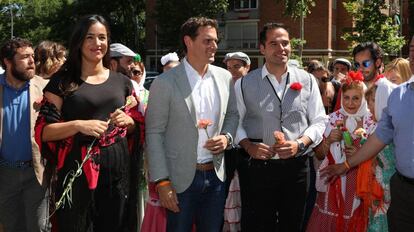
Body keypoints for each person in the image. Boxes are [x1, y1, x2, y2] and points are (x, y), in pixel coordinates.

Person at [35, 15, 144, 232]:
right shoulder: (61, 82)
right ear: (79, 42)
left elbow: (136, 126)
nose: (98, 44)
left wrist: (129, 122)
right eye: (90, 37)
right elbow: (43, 131)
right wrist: (78, 125)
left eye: (102, 38)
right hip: (76, 174)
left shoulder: (122, 82)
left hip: (118, 174)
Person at [145, 17, 239, 232]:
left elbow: (233, 115)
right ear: (188, 41)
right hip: (178, 181)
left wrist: (226, 137)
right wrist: (162, 181)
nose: (214, 46)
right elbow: (154, 133)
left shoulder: (224, 77)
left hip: (216, 176)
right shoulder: (165, 82)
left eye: (215, 40)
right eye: (207, 40)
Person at [234, 22, 327, 231]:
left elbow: (320, 120)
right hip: (257, 168)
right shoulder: (244, 83)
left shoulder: (308, 80)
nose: (281, 48)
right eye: (273, 43)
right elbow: (235, 123)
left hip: (297, 167)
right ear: (262, 48)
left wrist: (301, 143)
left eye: (285, 43)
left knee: (293, 225)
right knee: (257, 226)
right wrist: (248, 146)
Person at [321, 36, 414, 232]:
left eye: (365, 63)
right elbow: (380, 137)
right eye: (357, 64)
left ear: (378, 62)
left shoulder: (388, 90)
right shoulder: (398, 95)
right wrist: (346, 163)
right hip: (397, 187)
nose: (361, 68)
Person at [306, 72, 375, 232]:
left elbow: (378, 155)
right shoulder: (330, 119)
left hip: (359, 183)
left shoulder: (372, 121)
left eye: (356, 98)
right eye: (346, 97)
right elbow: (319, 155)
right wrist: (329, 140)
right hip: (333, 182)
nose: (350, 103)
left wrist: (360, 152)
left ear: (364, 99)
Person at [0, 37, 51, 231]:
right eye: (24, 57)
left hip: (36, 172)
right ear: (7, 61)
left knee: (38, 227)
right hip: (4, 174)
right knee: (11, 227)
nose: (32, 61)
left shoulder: (45, 88)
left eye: (32, 56)